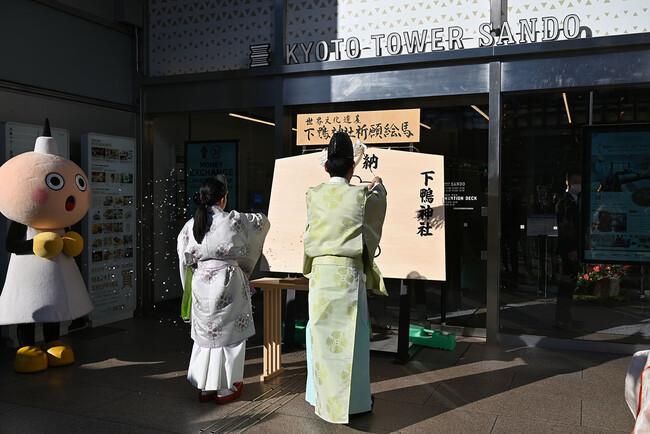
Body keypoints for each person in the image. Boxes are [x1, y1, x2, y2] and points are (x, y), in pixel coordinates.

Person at [303, 132, 388, 424]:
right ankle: (355, 403)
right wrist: (379, 187)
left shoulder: (313, 195)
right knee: (354, 338)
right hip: (349, 275)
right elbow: (376, 209)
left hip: (321, 274)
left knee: (320, 337)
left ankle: (320, 398)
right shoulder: (361, 196)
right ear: (352, 168)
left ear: (326, 167)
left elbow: (310, 231)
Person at [177, 176, 269, 403]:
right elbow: (261, 223)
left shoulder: (191, 225)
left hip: (201, 283)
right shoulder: (232, 221)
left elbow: (183, 258)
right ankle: (225, 388)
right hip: (228, 282)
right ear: (223, 199)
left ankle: (205, 387)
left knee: (205, 337)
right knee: (231, 337)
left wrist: (187, 290)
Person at [555, 168, 583, 329]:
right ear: (568, 182)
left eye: (580, 182)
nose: (578, 185)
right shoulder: (566, 201)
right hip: (569, 250)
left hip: (571, 249)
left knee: (569, 285)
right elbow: (566, 228)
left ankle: (565, 318)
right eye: (575, 182)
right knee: (567, 285)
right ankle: (563, 319)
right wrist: (572, 249)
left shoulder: (574, 200)